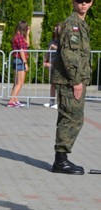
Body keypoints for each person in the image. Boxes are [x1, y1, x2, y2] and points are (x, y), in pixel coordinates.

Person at [50, 0, 93, 175]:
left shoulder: (81, 24)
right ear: (73, 2)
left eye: (87, 1)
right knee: (71, 119)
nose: (83, 4)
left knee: (70, 118)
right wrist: (76, 81)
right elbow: (69, 55)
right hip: (70, 81)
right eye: (79, 1)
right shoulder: (72, 24)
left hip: (74, 79)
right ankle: (60, 161)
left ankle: (61, 159)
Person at [7, 21, 29, 108]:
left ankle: (15, 100)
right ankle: (11, 101)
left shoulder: (18, 36)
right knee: (20, 82)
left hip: (17, 60)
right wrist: (25, 63)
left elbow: (27, 44)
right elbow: (22, 50)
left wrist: (27, 34)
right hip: (20, 60)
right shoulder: (19, 37)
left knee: (16, 82)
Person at [43, 24, 61, 110]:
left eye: (56, 28)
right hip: (52, 63)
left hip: (59, 64)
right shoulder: (52, 40)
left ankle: (59, 102)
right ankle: (52, 101)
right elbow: (48, 51)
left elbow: (64, 50)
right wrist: (45, 60)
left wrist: (56, 47)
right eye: (54, 28)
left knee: (59, 84)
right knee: (53, 84)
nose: (55, 30)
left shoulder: (62, 40)